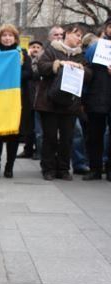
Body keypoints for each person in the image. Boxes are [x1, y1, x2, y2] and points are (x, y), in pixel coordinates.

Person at [35, 23, 91, 181]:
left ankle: (64, 168)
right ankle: (48, 168)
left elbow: (89, 74)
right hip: (49, 102)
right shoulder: (52, 50)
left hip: (70, 104)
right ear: (67, 34)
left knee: (67, 138)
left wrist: (79, 68)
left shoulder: (81, 55)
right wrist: (59, 64)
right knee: (50, 137)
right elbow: (41, 67)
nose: (78, 38)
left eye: (80, 36)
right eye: (76, 34)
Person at [0, 24, 32, 179]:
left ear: (15, 38)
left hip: (16, 100)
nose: (7, 38)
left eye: (10, 35)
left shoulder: (22, 54)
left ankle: (9, 167)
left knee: (13, 135)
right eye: (4, 35)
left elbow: (29, 73)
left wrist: (13, 74)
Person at [82, 18, 111, 181]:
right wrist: (84, 98)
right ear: (107, 29)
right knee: (95, 136)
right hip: (96, 97)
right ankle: (95, 169)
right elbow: (87, 71)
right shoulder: (95, 48)